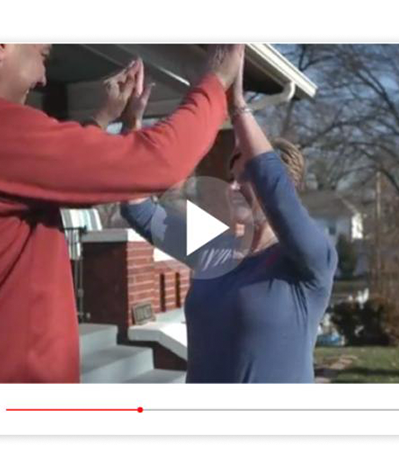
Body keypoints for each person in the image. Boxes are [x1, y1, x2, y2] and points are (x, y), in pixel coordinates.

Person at [0, 43, 245, 383]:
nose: (44, 77)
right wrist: (214, 83)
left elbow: (45, 178)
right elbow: (157, 166)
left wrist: (102, 122)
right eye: (43, 55)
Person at [119, 62, 338, 383]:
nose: (232, 187)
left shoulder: (312, 259)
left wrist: (237, 107)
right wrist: (131, 128)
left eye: (247, 176)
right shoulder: (214, 247)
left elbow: (275, 188)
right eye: (231, 177)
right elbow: (137, 208)